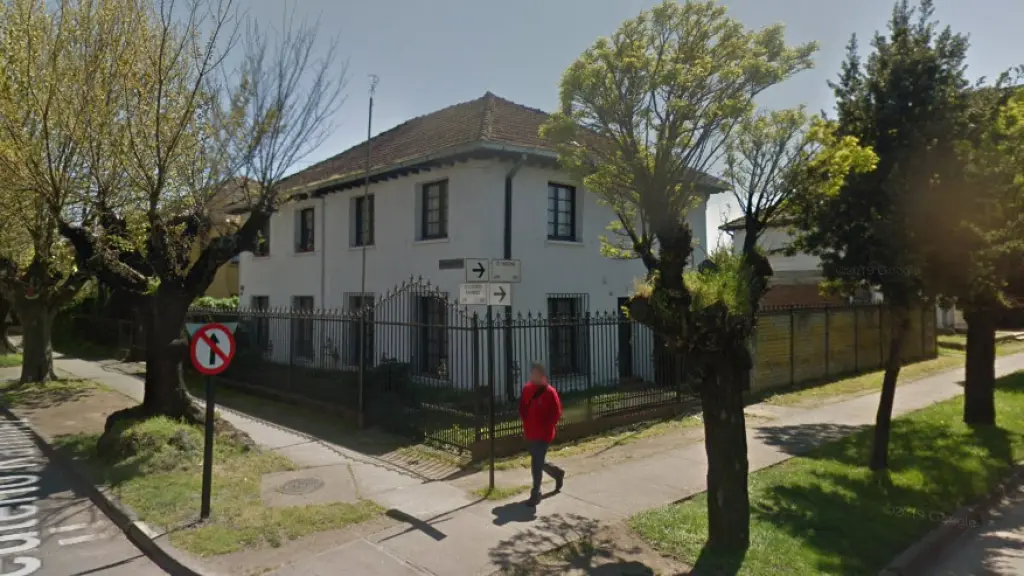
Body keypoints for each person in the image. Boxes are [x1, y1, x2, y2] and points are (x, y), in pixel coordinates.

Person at [518, 362, 565, 507]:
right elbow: (522, 407)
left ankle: (535, 493)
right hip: (530, 431)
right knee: (538, 460)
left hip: (543, 434)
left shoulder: (550, 392)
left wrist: (546, 425)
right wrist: (525, 419)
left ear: (542, 376)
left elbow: (556, 412)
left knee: (536, 463)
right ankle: (557, 473)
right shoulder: (527, 389)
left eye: (535, 374)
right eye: (531, 373)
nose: (532, 376)